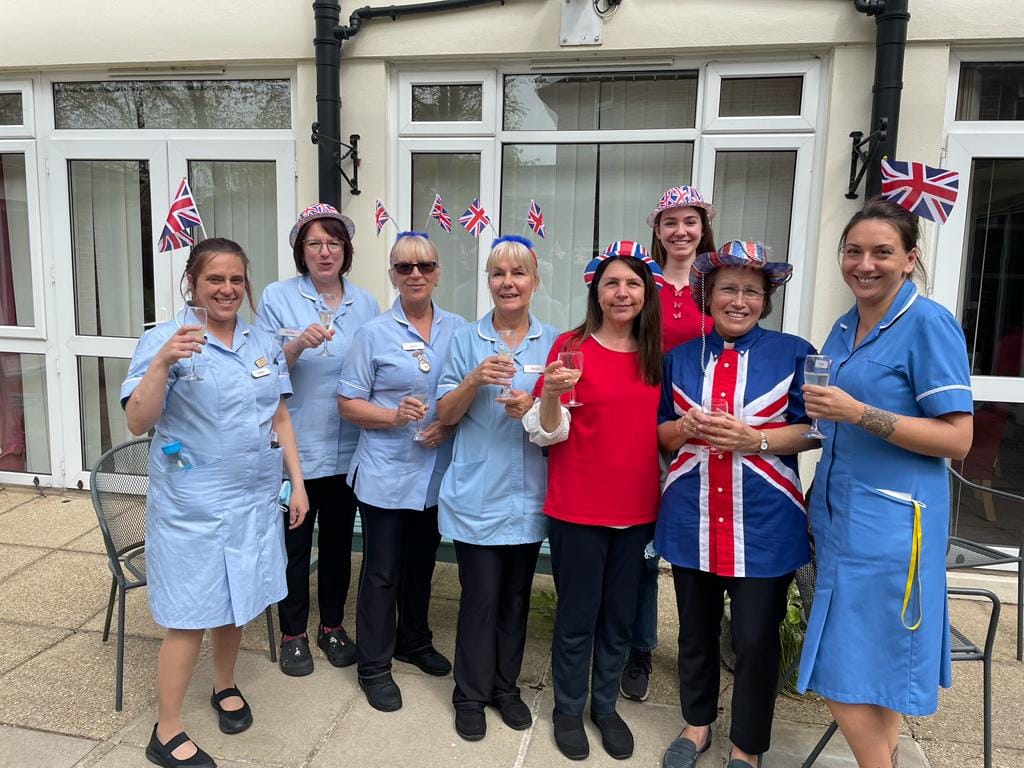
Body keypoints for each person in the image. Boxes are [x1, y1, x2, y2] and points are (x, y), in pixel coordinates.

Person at [797, 198, 974, 767]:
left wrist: (859, 413)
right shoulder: (845, 324)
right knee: (874, 660)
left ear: (910, 259)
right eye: (854, 251)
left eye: (882, 252)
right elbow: (828, 419)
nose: (864, 264)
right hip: (838, 515)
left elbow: (957, 439)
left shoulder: (928, 323)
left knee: (838, 666)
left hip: (892, 529)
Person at [121, 238, 308, 768]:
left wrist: (298, 482)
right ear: (193, 284)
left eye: (235, 280)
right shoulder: (166, 339)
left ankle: (224, 684)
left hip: (253, 500)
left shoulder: (262, 341)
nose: (227, 289)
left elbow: (279, 417)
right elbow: (138, 420)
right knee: (189, 616)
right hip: (193, 506)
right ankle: (167, 728)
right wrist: (162, 364)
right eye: (215, 280)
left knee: (237, 600)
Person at [656, 240, 817, 768]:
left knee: (754, 640)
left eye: (752, 290)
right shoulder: (679, 358)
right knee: (695, 633)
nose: (739, 300)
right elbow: (660, 434)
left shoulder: (796, 352)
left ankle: (747, 747)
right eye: (728, 288)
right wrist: (681, 428)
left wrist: (757, 441)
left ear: (765, 299)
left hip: (765, 521)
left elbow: (814, 433)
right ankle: (697, 724)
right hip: (692, 516)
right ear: (708, 293)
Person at [524, 240, 664, 761]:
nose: (622, 292)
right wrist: (554, 392)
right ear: (596, 292)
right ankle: (567, 707)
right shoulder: (569, 346)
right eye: (612, 283)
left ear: (644, 291)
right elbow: (545, 430)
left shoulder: (656, 356)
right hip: (577, 505)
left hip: (637, 509)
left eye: (632, 283)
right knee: (578, 614)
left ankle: (604, 705)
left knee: (619, 618)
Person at [435, 235, 560, 741]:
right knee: (480, 599)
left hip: (529, 494)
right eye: (497, 274)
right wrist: (472, 380)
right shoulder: (466, 339)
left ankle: (504, 689)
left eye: (518, 273)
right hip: (478, 496)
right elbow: (443, 414)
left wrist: (531, 405)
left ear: (535, 282)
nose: (508, 283)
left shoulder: (555, 342)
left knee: (516, 599)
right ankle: (469, 694)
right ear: (487, 282)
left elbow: (560, 421)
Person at [338, 231, 466, 713]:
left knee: (422, 567)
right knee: (382, 573)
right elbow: (347, 404)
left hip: (435, 475)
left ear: (438, 273)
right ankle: (373, 665)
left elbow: (465, 398)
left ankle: (413, 639)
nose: (415, 275)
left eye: (425, 266)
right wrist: (393, 416)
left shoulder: (459, 328)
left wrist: (447, 429)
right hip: (385, 475)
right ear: (392, 275)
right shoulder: (372, 333)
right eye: (404, 267)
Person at [257, 203, 380, 676]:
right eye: (314, 243)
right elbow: (263, 371)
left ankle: (331, 626)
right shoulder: (277, 297)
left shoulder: (366, 302)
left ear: (346, 251)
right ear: (301, 252)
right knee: (293, 545)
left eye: (333, 243)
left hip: (349, 447)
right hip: (298, 448)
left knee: (336, 544)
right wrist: (294, 346)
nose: (324, 252)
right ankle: (293, 633)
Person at [621, 185, 718, 704]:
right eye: (670, 222)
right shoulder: (644, 284)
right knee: (641, 544)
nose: (681, 231)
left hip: (706, 431)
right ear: (656, 231)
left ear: (704, 227)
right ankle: (639, 644)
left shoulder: (719, 284)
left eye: (690, 221)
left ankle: (696, 651)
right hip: (645, 426)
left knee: (700, 543)